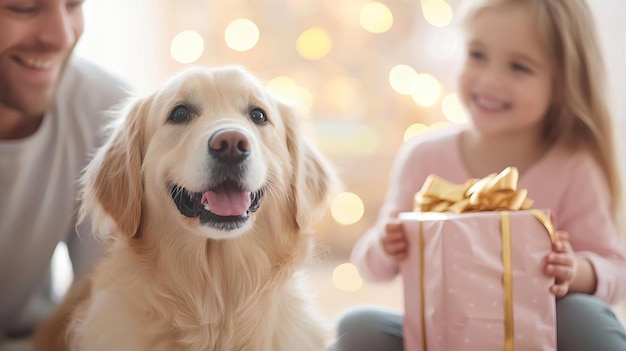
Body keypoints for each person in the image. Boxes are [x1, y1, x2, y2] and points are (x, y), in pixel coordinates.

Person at [333, 0, 626, 350]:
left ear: (563, 82)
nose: (489, 80)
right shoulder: (423, 157)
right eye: (477, 55)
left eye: (519, 67)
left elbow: (615, 270)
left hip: (536, 336)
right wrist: (385, 246)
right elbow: (370, 266)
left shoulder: (574, 168)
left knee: (585, 315)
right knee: (356, 326)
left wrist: (576, 270)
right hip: (441, 335)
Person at [0, 0, 131, 346]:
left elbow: (105, 306)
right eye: (23, 7)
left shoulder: (108, 114)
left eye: (73, 4)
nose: (62, 36)